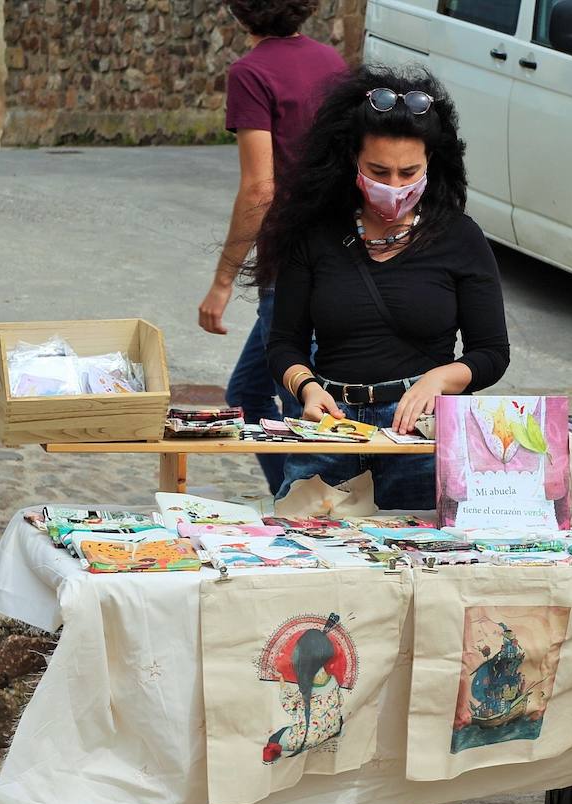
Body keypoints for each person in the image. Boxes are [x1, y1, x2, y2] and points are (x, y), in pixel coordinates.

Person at [262, 66, 510, 511]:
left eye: (408, 172)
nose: (393, 186)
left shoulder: (461, 238)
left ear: (431, 164)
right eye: (378, 170)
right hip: (329, 432)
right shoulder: (315, 235)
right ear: (351, 160)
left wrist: (441, 378)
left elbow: (491, 352)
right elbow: (284, 344)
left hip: (421, 434)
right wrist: (307, 389)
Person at [197, 0, 346, 495]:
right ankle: (293, 499)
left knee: (294, 399)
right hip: (337, 251)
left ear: (237, 12)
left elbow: (260, 188)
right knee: (247, 394)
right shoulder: (332, 62)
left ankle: (300, 509)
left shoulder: (249, 73)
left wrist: (222, 282)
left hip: (292, 262)